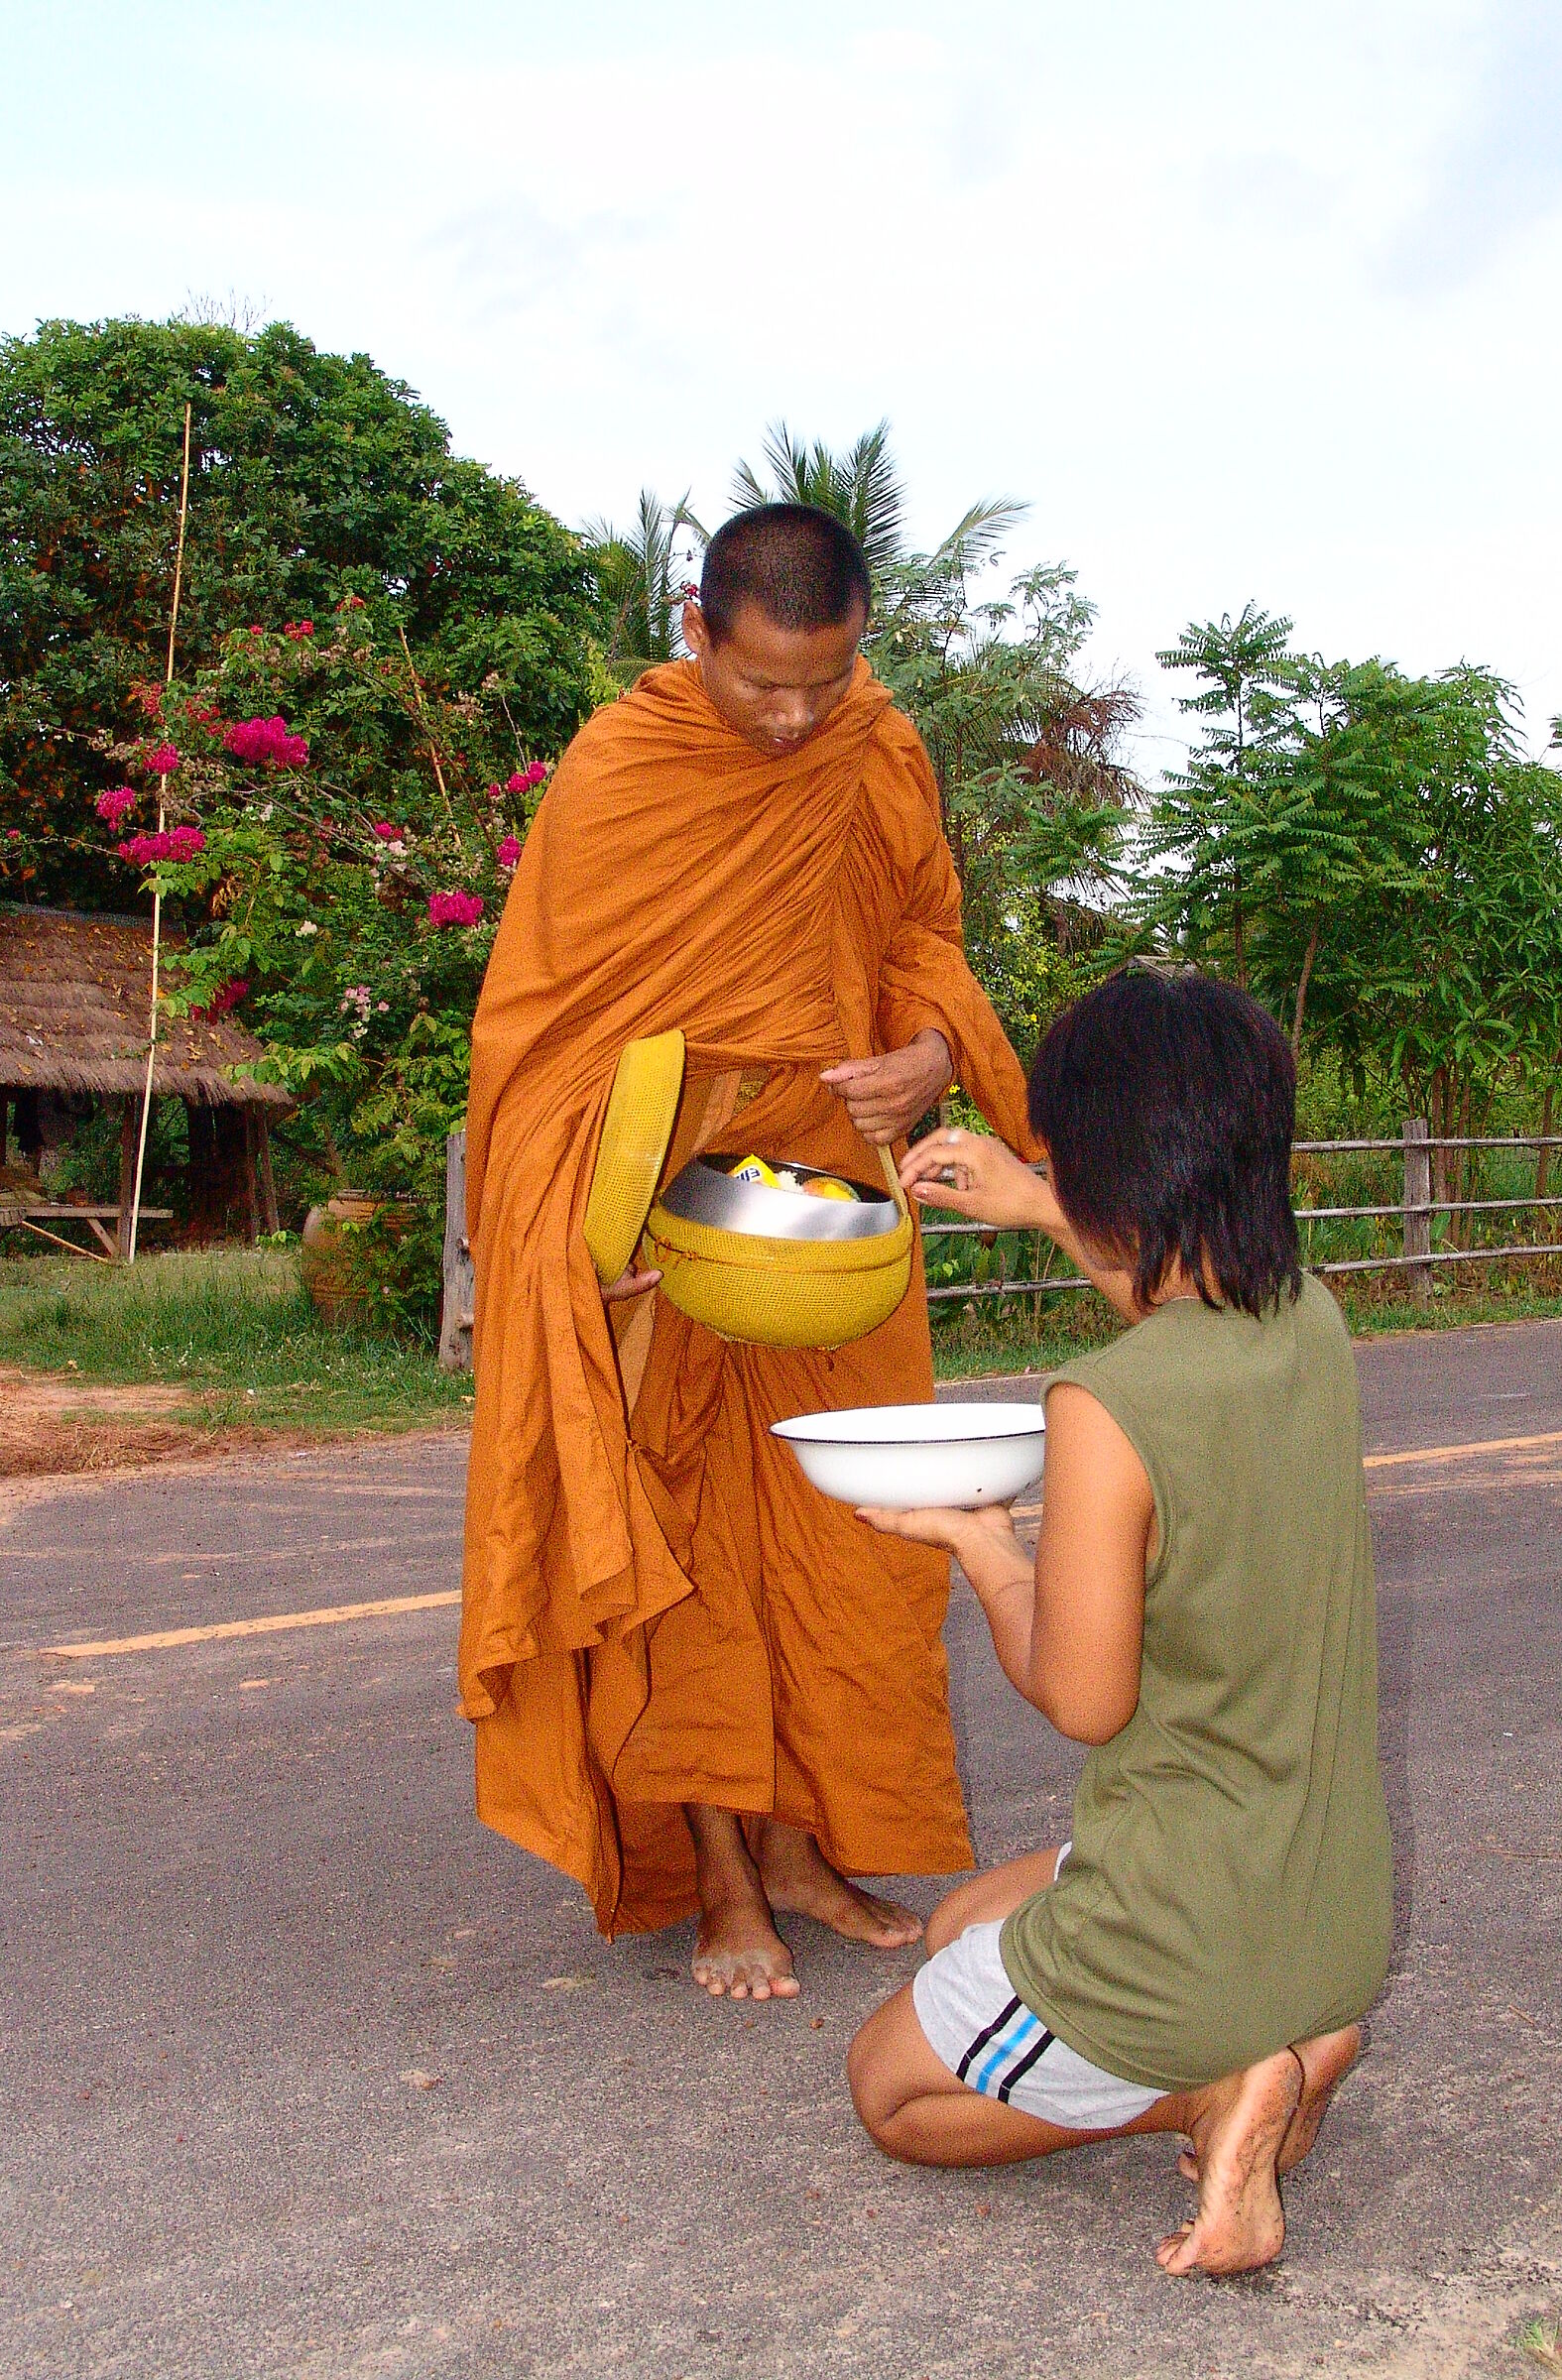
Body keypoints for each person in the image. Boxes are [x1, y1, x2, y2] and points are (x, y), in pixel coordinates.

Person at [460, 503, 1037, 2000]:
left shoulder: (881, 749)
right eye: (762, 683)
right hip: (660, 1205)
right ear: (695, 629)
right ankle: (721, 1879)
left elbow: (924, 935)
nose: (792, 719)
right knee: (690, 1550)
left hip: (828, 1205)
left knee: (847, 1536)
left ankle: (798, 1847)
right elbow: (542, 1030)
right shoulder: (622, 769)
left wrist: (925, 1053)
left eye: (825, 684)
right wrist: (573, 1239)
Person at [846, 969, 1392, 2275]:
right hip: (1328, 1906)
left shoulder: (1100, 1406)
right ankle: (1301, 2040)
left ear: (1105, 1177)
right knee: (953, 1926)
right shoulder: (1307, 1317)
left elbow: (1083, 1698)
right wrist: (1047, 1200)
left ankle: (1217, 2094)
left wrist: (986, 1547)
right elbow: (1174, 1305)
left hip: (1188, 1931)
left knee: (889, 2087)